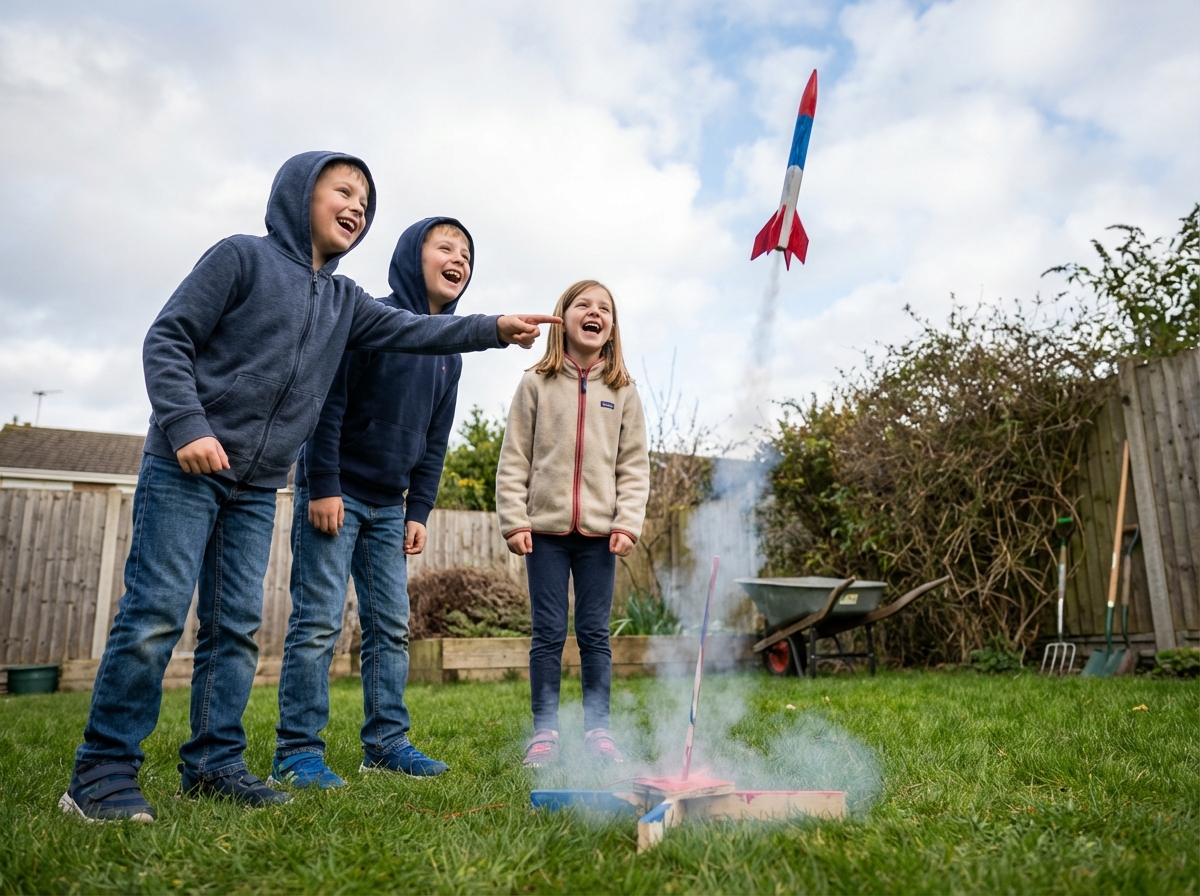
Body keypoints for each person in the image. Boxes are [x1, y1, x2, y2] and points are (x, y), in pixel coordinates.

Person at [61, 152, 557, 823]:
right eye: (342, 191)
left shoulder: (346, 303)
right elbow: (169, 338)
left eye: (365, 201)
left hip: (257, 486)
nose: (355, 206)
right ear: (300, 195)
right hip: (188, 468)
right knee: (154, 615)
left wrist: (494, 329)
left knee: (235, 627)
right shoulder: (241, 258)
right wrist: (187, 426)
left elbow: (417, 332)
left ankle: (212, 763)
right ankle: (101, 771)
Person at [271, 217, 476, 788]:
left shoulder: (449, 355)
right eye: (445, 247)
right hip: (336, 494)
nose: (458, 259)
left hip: (390, 507)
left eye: (466, 253)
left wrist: (419, 511)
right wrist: (325, 484)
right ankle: (296, 752)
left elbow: (436, 439)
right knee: (317, 623)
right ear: (414, 256)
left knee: (390, 625)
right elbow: (327, 403)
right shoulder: (371, 321)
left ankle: (386, 743)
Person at [495, 279, 649, 767]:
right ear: (562, 318)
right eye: (583, 304)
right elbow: (514, 457)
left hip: (601, 536)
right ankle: (545, 733)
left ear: (611, 329)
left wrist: (627, 522)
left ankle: (599, 731)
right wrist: (514, 520)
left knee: (594, 632)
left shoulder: (622, 392)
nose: (595, 312)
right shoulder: (535, 383)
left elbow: (634, 464)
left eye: (604, 308)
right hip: (544, 532)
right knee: (547, 631)